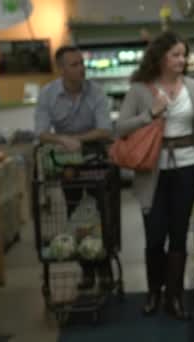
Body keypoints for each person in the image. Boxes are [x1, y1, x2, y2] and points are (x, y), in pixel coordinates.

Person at [116, 32, 194, 320]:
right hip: (152, 172)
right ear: (160, 57)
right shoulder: (139, 90)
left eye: (184, 55)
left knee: (179, 234)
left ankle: (174, 297)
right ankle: (153, 293)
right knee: (154, 236)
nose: (183, 60)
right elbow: (121, 128)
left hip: (187, 168)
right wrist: (150, 113)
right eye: (176, 55)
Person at [35, 45, 113, 291]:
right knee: (74, 216)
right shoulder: (48, 95)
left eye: (82, 63)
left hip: (96, 160)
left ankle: (106, 269)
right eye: (75, 64)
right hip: (68, 165)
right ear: (61, 69)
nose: (82, 68)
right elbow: (41, 132)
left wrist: (77, 139)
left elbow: (105, 129)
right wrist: (62, 140)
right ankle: (87, 270)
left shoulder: (96, 92)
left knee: (104, 215)